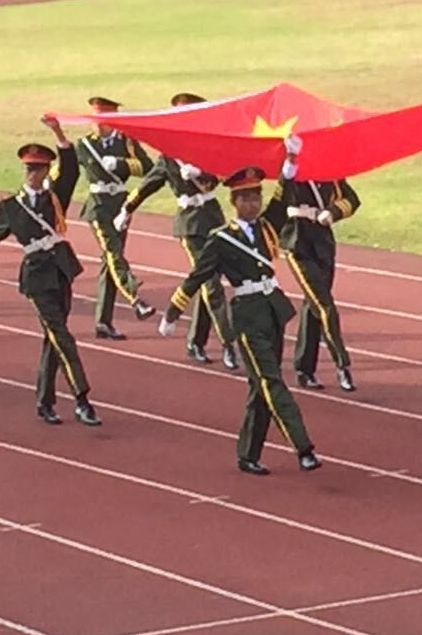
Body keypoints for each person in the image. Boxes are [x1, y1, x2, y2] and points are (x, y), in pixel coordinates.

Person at [159, 146, 321, 475]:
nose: (253, 204)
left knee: (261, 387)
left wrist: (291, 160)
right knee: (272, 382)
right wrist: (173, 312)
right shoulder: (221, 239)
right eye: (246, 198)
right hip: (247, 316)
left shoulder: (266, 227)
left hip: (273, 310)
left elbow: (284, 194)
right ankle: (303, 447)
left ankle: (248, 454)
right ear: (234, 202)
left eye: (256, 197)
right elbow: (198, 276)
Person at [0, 118, 102, 426]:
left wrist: (58, 133)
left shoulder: (54, 197)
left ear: (45, 171)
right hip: (36, 277)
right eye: (29, 168)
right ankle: (82, 399)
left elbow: (71, 170)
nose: (32, 173)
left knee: (53, 338)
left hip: (61, 270)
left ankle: (44, 401)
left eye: (38, 168)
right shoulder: (11, 207)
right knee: (62, 336)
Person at [115, 92, 237, 370]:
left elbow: (218, 178)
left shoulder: (206, 147)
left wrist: (199, 173)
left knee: (208, 281)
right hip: (190, 224)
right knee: (211, 285)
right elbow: (148, 184)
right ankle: (229, 344)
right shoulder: (169, 157)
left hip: (212, 218)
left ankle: (196, 341)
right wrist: (126, 208)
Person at [75, 97, 157, 339]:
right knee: (113, 253)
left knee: (109, 263)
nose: (97, 125)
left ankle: (103, 322)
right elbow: (67, 166)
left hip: (119, 205)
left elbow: (147, 167)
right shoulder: (85, 145)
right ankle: (135, 298)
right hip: (98, 206)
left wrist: (121, 164)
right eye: (95, 120)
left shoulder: (126, 141)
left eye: (102, 120)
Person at [273, 169, 361, 392]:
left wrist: (333, 212)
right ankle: (342, 364)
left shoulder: (329, 172)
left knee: (313, 306)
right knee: (325, 306)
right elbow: (281, 193)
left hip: (322, 243)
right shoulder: (292, 173)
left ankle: (304, 368)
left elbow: (352, 199)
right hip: (297, 243)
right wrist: (290, 166)